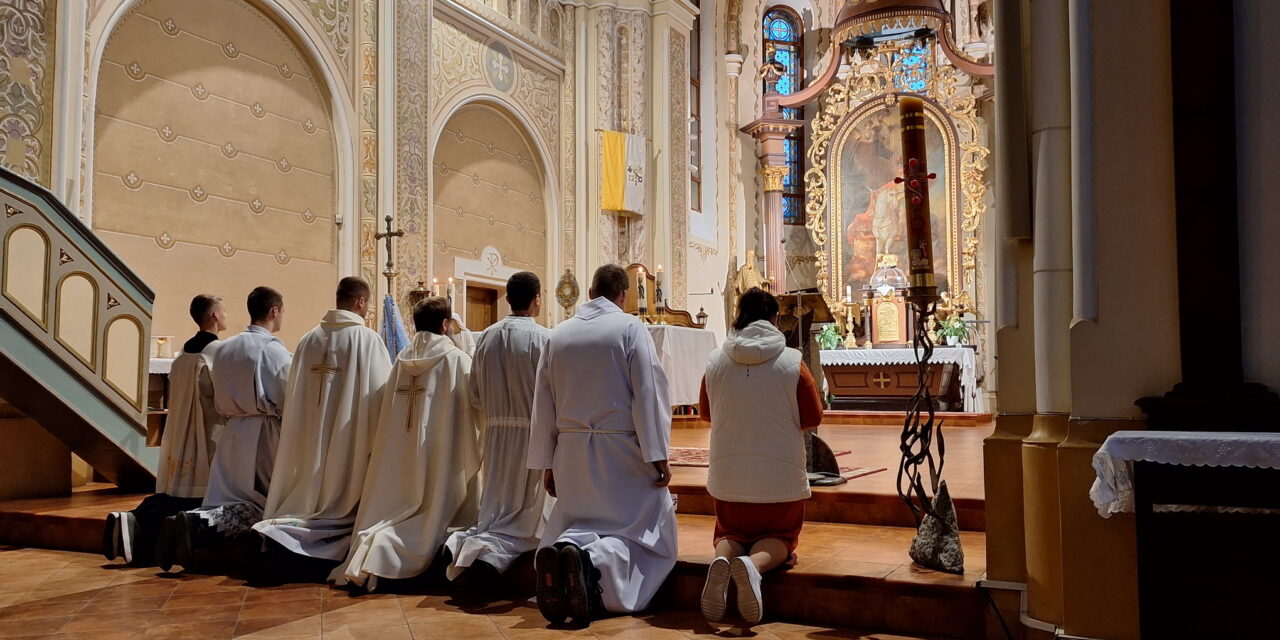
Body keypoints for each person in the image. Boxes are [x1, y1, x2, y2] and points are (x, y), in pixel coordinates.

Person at [528, 264, 676, 626]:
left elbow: (543, 403)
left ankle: (569, 551)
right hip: (621, 452)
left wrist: (547, 461)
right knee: (643, 528)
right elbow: (646, 394)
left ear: (591, 292)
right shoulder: (629, 328)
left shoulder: (558, 335)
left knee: (582, 518)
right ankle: (594, 563)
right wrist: (657, 455)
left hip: (572, 452)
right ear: (623, 295)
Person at [333, 297, 481, 590]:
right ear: (445, 324)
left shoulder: (400, 361)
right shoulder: (456, 361)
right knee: (438, 503)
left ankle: (376, 549)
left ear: (414, 323)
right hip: (440, 456)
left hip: (401, 454)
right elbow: (475, 409)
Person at [696, 287, 824, 625]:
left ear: (739, 315)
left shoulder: (715, 361)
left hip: (729, 478)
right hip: (778, 479)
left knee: (730, 533)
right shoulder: (793, 362)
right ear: (775, 318)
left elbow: (705, 413)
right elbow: (813, 417)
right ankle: (753, 567)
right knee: (781, 536)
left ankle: (722, 563)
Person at [252, 277, 392, 580]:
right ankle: (303, 541)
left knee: (308, 496)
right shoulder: (366, 340)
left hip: (310, 438)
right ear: (360, 302)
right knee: (340, 504)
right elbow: (382, 396)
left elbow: (294, 393)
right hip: (348, 438)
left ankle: (285, 532)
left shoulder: (308, 339)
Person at [155, 287, 292, 572]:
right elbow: (287, 395)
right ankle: (197, 526)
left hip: (231, 433)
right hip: (262, 434)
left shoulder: (225, 347)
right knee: (261, 500)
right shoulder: (272, 350)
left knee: (230, 495)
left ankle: (194, 523)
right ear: (274, 311)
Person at [443, 272, 551, 596]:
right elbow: (554, 395)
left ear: (507, 299)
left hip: (496, 434)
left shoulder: (486, 337)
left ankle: (464, 545)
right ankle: (491, 558)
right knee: (526, 514)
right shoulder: (545, 339)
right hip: (532, 436)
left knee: (496, 504)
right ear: (537, 299)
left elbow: (474, 393)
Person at [103, 294, 227, 565]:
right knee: (199, 495)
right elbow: (224, 396)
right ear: (215, 316)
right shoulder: (217, 352)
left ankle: (133, 522)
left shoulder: (184, 353)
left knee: (176, 492)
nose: (225, 314)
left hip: (180, 432)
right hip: (206, 433)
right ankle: (142, 528)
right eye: (223, 310)